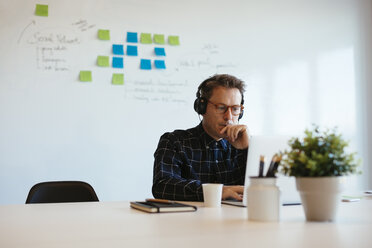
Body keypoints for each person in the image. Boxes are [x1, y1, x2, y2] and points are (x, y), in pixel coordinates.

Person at [152, 74, 249, 201]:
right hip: (188, 220)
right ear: (201, 107)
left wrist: (248, 149)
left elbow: (274, 188)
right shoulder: (174, 142)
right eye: (221, 108)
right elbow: (162, 186)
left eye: (235, 109)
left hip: (237, 219)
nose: (229, 117)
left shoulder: (247, 145)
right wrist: (215, 192)